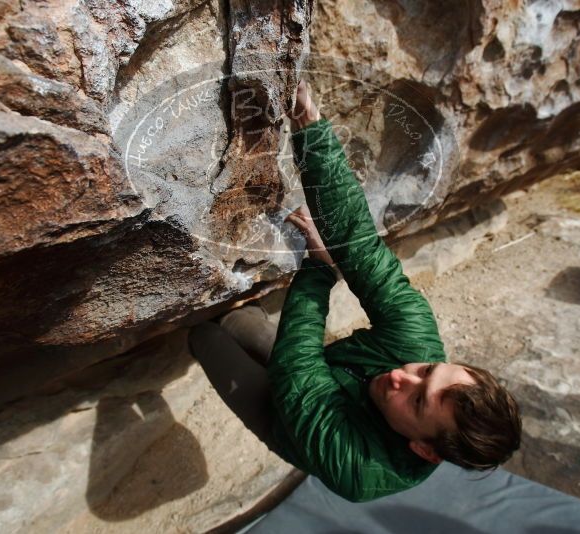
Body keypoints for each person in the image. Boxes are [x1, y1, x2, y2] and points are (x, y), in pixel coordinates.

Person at [188, 80, 522, 503]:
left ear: (423, 449)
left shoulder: (361, 472)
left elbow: (297, 372)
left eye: (418, 402)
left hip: (286, 417)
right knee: (242, 320)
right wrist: (310, 125)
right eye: (427, 372)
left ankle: (203, 336)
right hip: (319, 370)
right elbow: (360, 245)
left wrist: (319, 270)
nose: (402, 375)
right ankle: (236, 319)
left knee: (205, 336)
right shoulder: (417, 342)